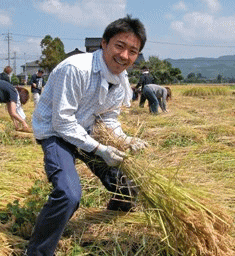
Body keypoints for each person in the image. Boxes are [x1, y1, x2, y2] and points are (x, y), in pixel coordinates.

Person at [26, 15, 148, 255]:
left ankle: (111, 219)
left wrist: (125, 140)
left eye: (133, 51)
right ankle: (38, 252)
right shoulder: (76, 69)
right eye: (119, 46)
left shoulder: (121, 79)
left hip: (86, 132)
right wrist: (100, 149)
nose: (124, 56)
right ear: (104, 43)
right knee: (68, 194)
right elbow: (62, 122)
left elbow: (108, 119)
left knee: (128, 183)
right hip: (55, 133)